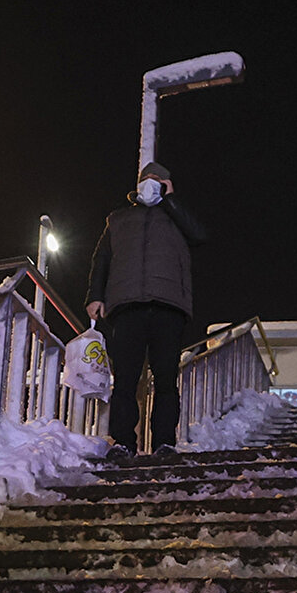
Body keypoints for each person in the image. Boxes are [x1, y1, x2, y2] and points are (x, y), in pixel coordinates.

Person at [85, 161, 208, 459]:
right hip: (127, 306)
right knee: (125, 379)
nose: (150, 185)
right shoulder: (118, 219)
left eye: (157, 181)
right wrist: (95, 295)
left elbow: (200, 235)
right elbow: (101, 260)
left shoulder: (177, 217)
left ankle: (164, 442)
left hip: (169, 306)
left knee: (165, 378)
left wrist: (171, 200)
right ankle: (123, 442)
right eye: (146, 180)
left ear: (167, 185)